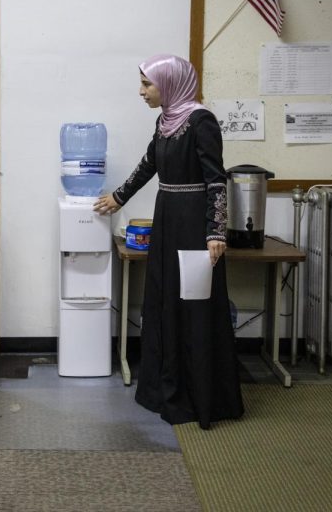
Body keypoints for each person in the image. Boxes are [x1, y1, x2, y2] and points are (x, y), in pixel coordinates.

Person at [94, 54, 244, 429]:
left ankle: (200, 398)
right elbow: (149, 165)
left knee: (192, 307)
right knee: (164, 302)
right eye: (143, 83)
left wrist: (216, 231)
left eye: (147, 84)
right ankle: (164, 389)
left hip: (194, 228)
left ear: (170, 83)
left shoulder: (200, 121)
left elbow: (216, 179)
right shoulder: (166, 121)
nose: (142, 91)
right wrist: (119, 197)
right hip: (167, 221)